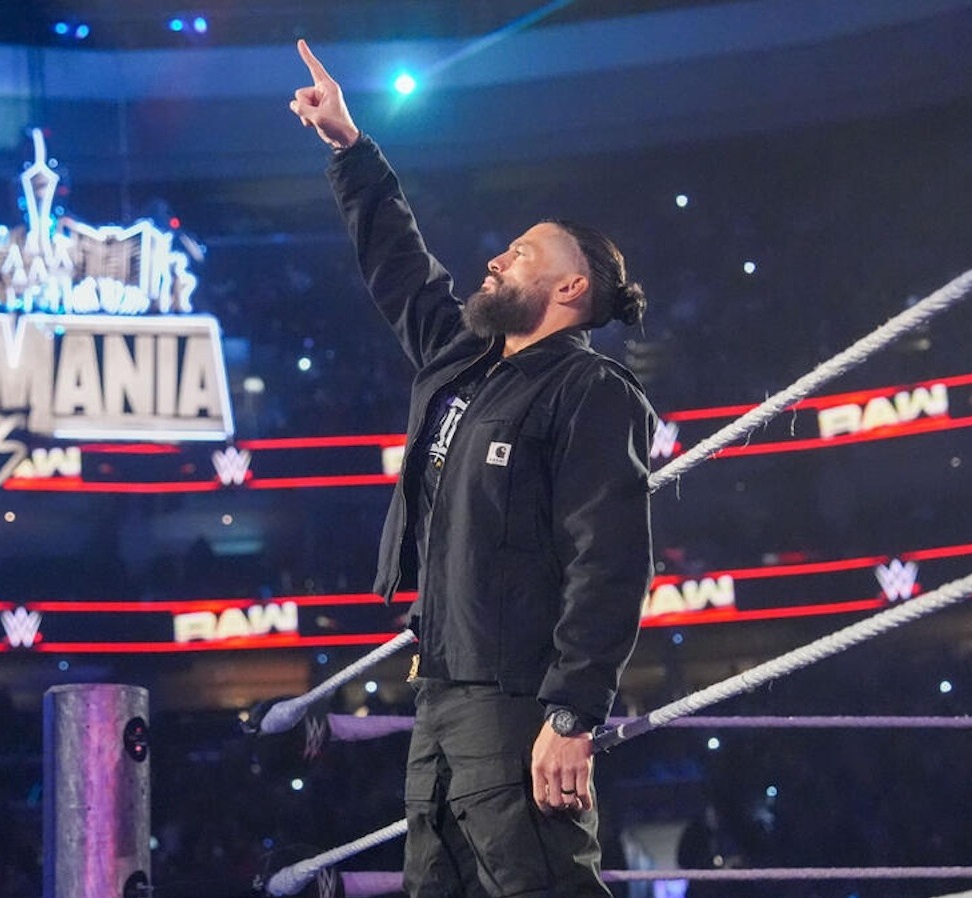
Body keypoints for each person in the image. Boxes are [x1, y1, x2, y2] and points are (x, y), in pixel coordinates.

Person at [289, 40, 655, 897]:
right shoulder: (466, 361)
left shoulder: (591, 392)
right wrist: (350, 148)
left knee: (543, 885)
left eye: (522, 253)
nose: (497, 258)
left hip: (518, 696)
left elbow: (610, 558)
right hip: (442, 689)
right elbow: (401, 269)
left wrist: (572, 713)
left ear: (571, 289)